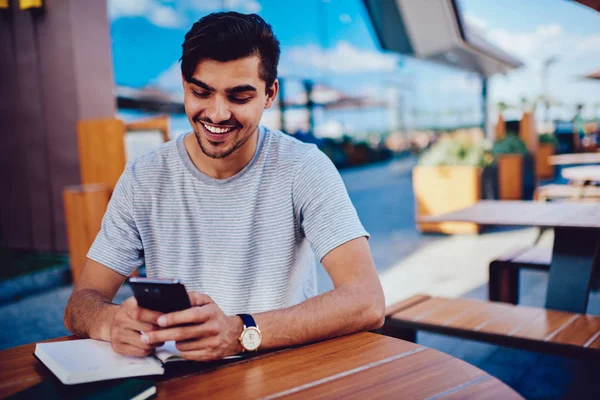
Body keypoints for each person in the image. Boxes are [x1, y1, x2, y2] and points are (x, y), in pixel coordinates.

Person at [64, 12, 384, 361]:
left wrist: (240, 332)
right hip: (179, 380)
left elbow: (365, 299)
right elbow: (81, 302)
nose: (216, 114)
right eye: (201, 92)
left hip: (282, 372)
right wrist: (112, 322)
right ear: (185, 85)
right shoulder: (144, 178)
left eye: (239, 97)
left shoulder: (304, 168)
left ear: (269, 94)